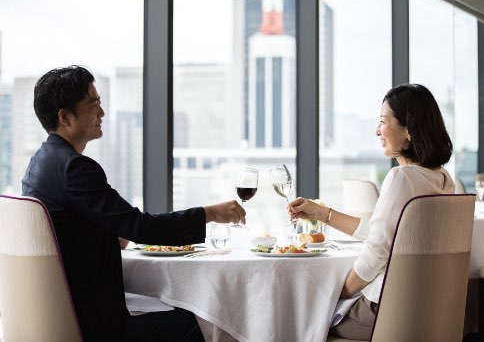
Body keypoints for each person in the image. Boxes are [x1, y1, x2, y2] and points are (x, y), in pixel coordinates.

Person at [22, 65, 246, 341]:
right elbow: (140, 227)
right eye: (93, 104)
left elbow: (69, 231)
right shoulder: (75, 169)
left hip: (61, 315)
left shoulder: (38, 164)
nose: (101, 113)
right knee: (205, 320)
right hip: (95, 325)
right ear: (65, 117)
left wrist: (107, 235)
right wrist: (210, 213)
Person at [288, 83, 454, 340]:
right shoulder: (442, 178)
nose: (377, 131)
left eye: (383, 121)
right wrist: (324, 214)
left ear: (409, 129)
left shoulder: (402, 177)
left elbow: (377, 251)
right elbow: (385, 234)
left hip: (386, 312)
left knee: (299, 320)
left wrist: (337, 292)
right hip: (430, 308)